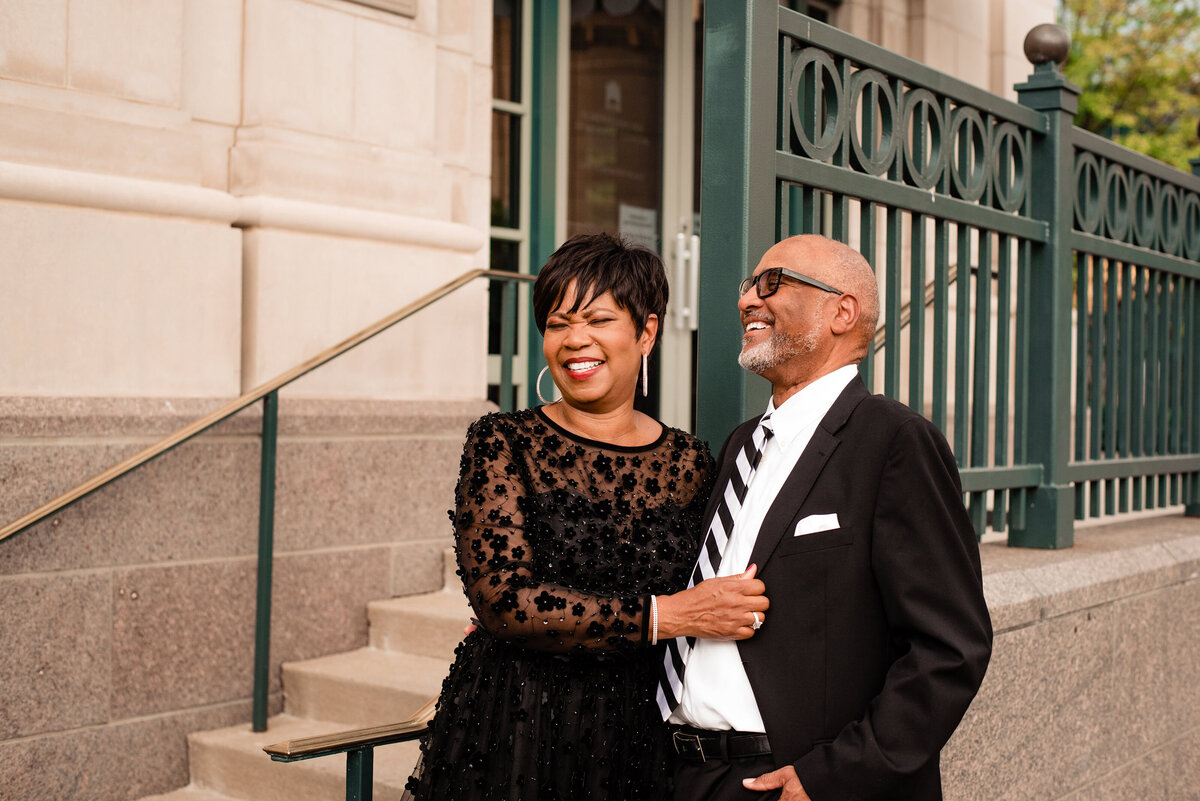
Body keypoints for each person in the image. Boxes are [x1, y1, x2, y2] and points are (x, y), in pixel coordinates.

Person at [406, 233, 769, 801]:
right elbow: (503, 599)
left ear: (646, 332)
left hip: (641, 737)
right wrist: (663, 616)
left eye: (598, 319)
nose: (575, 340)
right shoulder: (503, 441)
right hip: (514, 728)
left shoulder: (691, 461)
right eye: (557, 323)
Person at [658, 234, 993, 801]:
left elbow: (950, 647)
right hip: (685, 775)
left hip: (793, 783)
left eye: (773, 283)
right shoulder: (742, 444)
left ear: (842, 311)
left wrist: (833, 777)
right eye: (748, 286)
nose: (747, 301)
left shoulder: (894, 441)